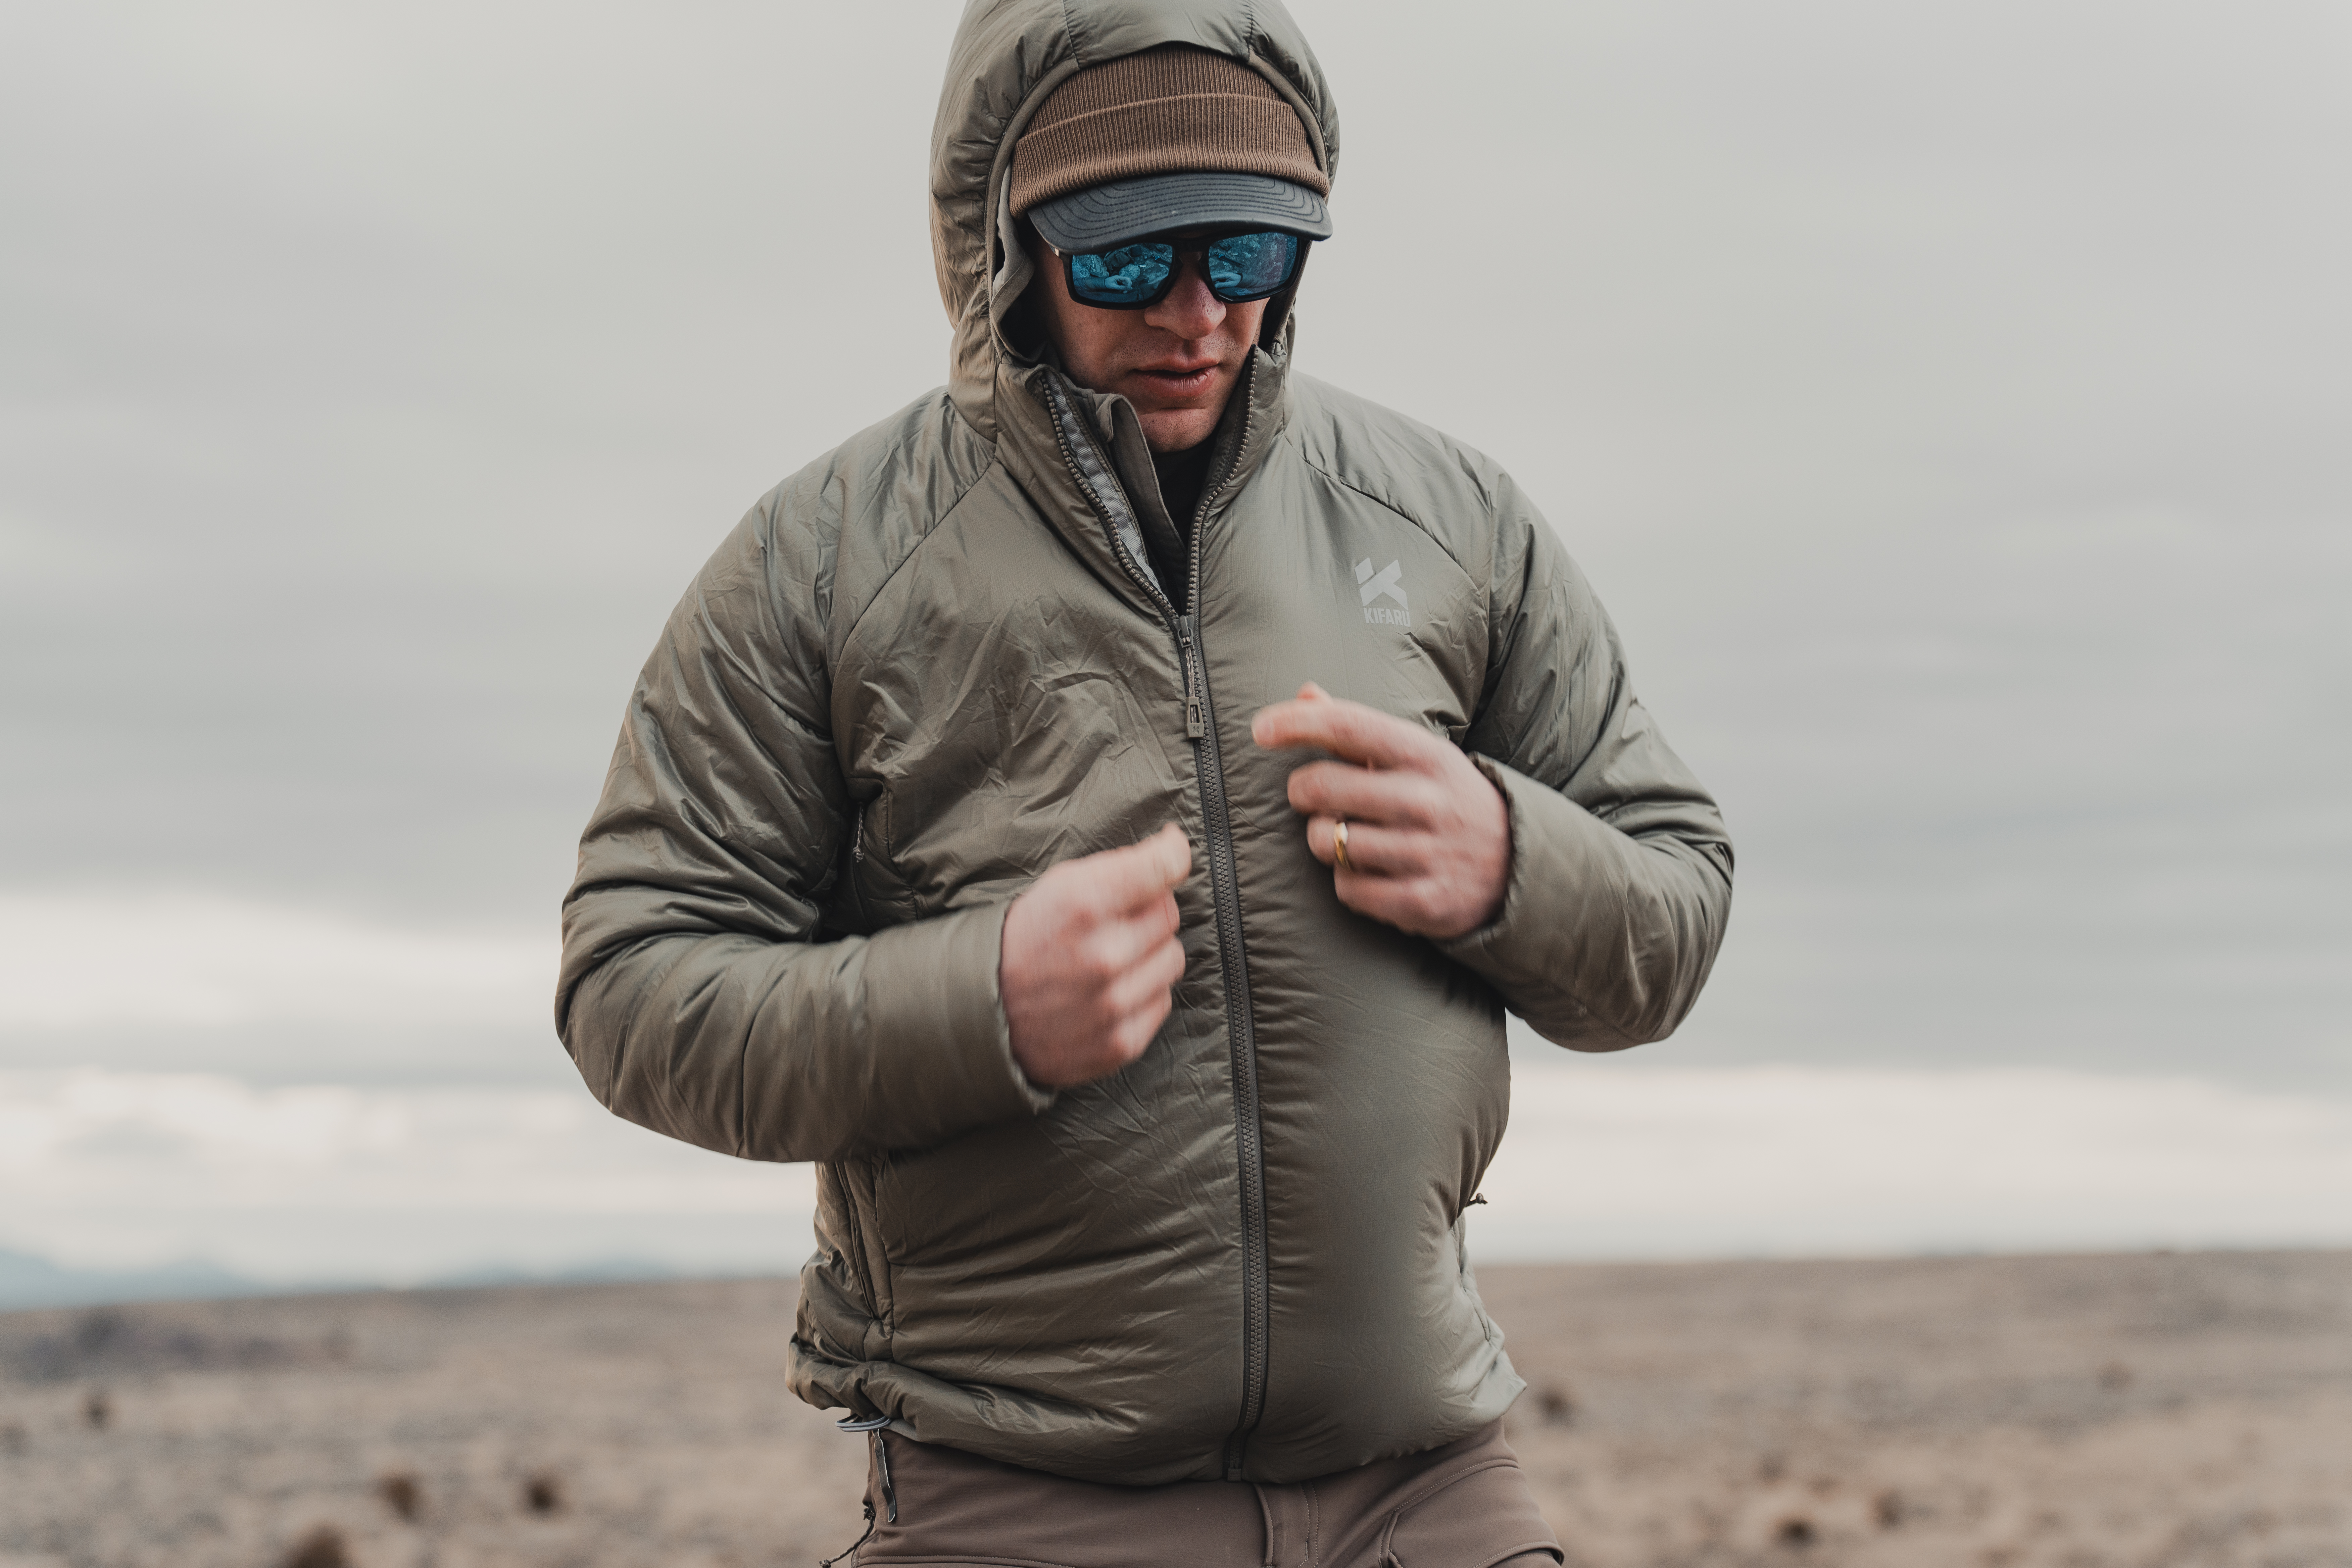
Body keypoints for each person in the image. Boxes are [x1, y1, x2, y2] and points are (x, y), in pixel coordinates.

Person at [556, 2, 1732, 1563]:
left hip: (1427, 1478)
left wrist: (1513, 862)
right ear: (1004, 241)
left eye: (1250, 253)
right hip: (1019, 1498)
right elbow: (631, 984)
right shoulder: (824, 561)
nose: (1198, 313)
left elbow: (1678, 902)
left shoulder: (1450, 521)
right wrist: (979, 1005)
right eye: (1126, 257)